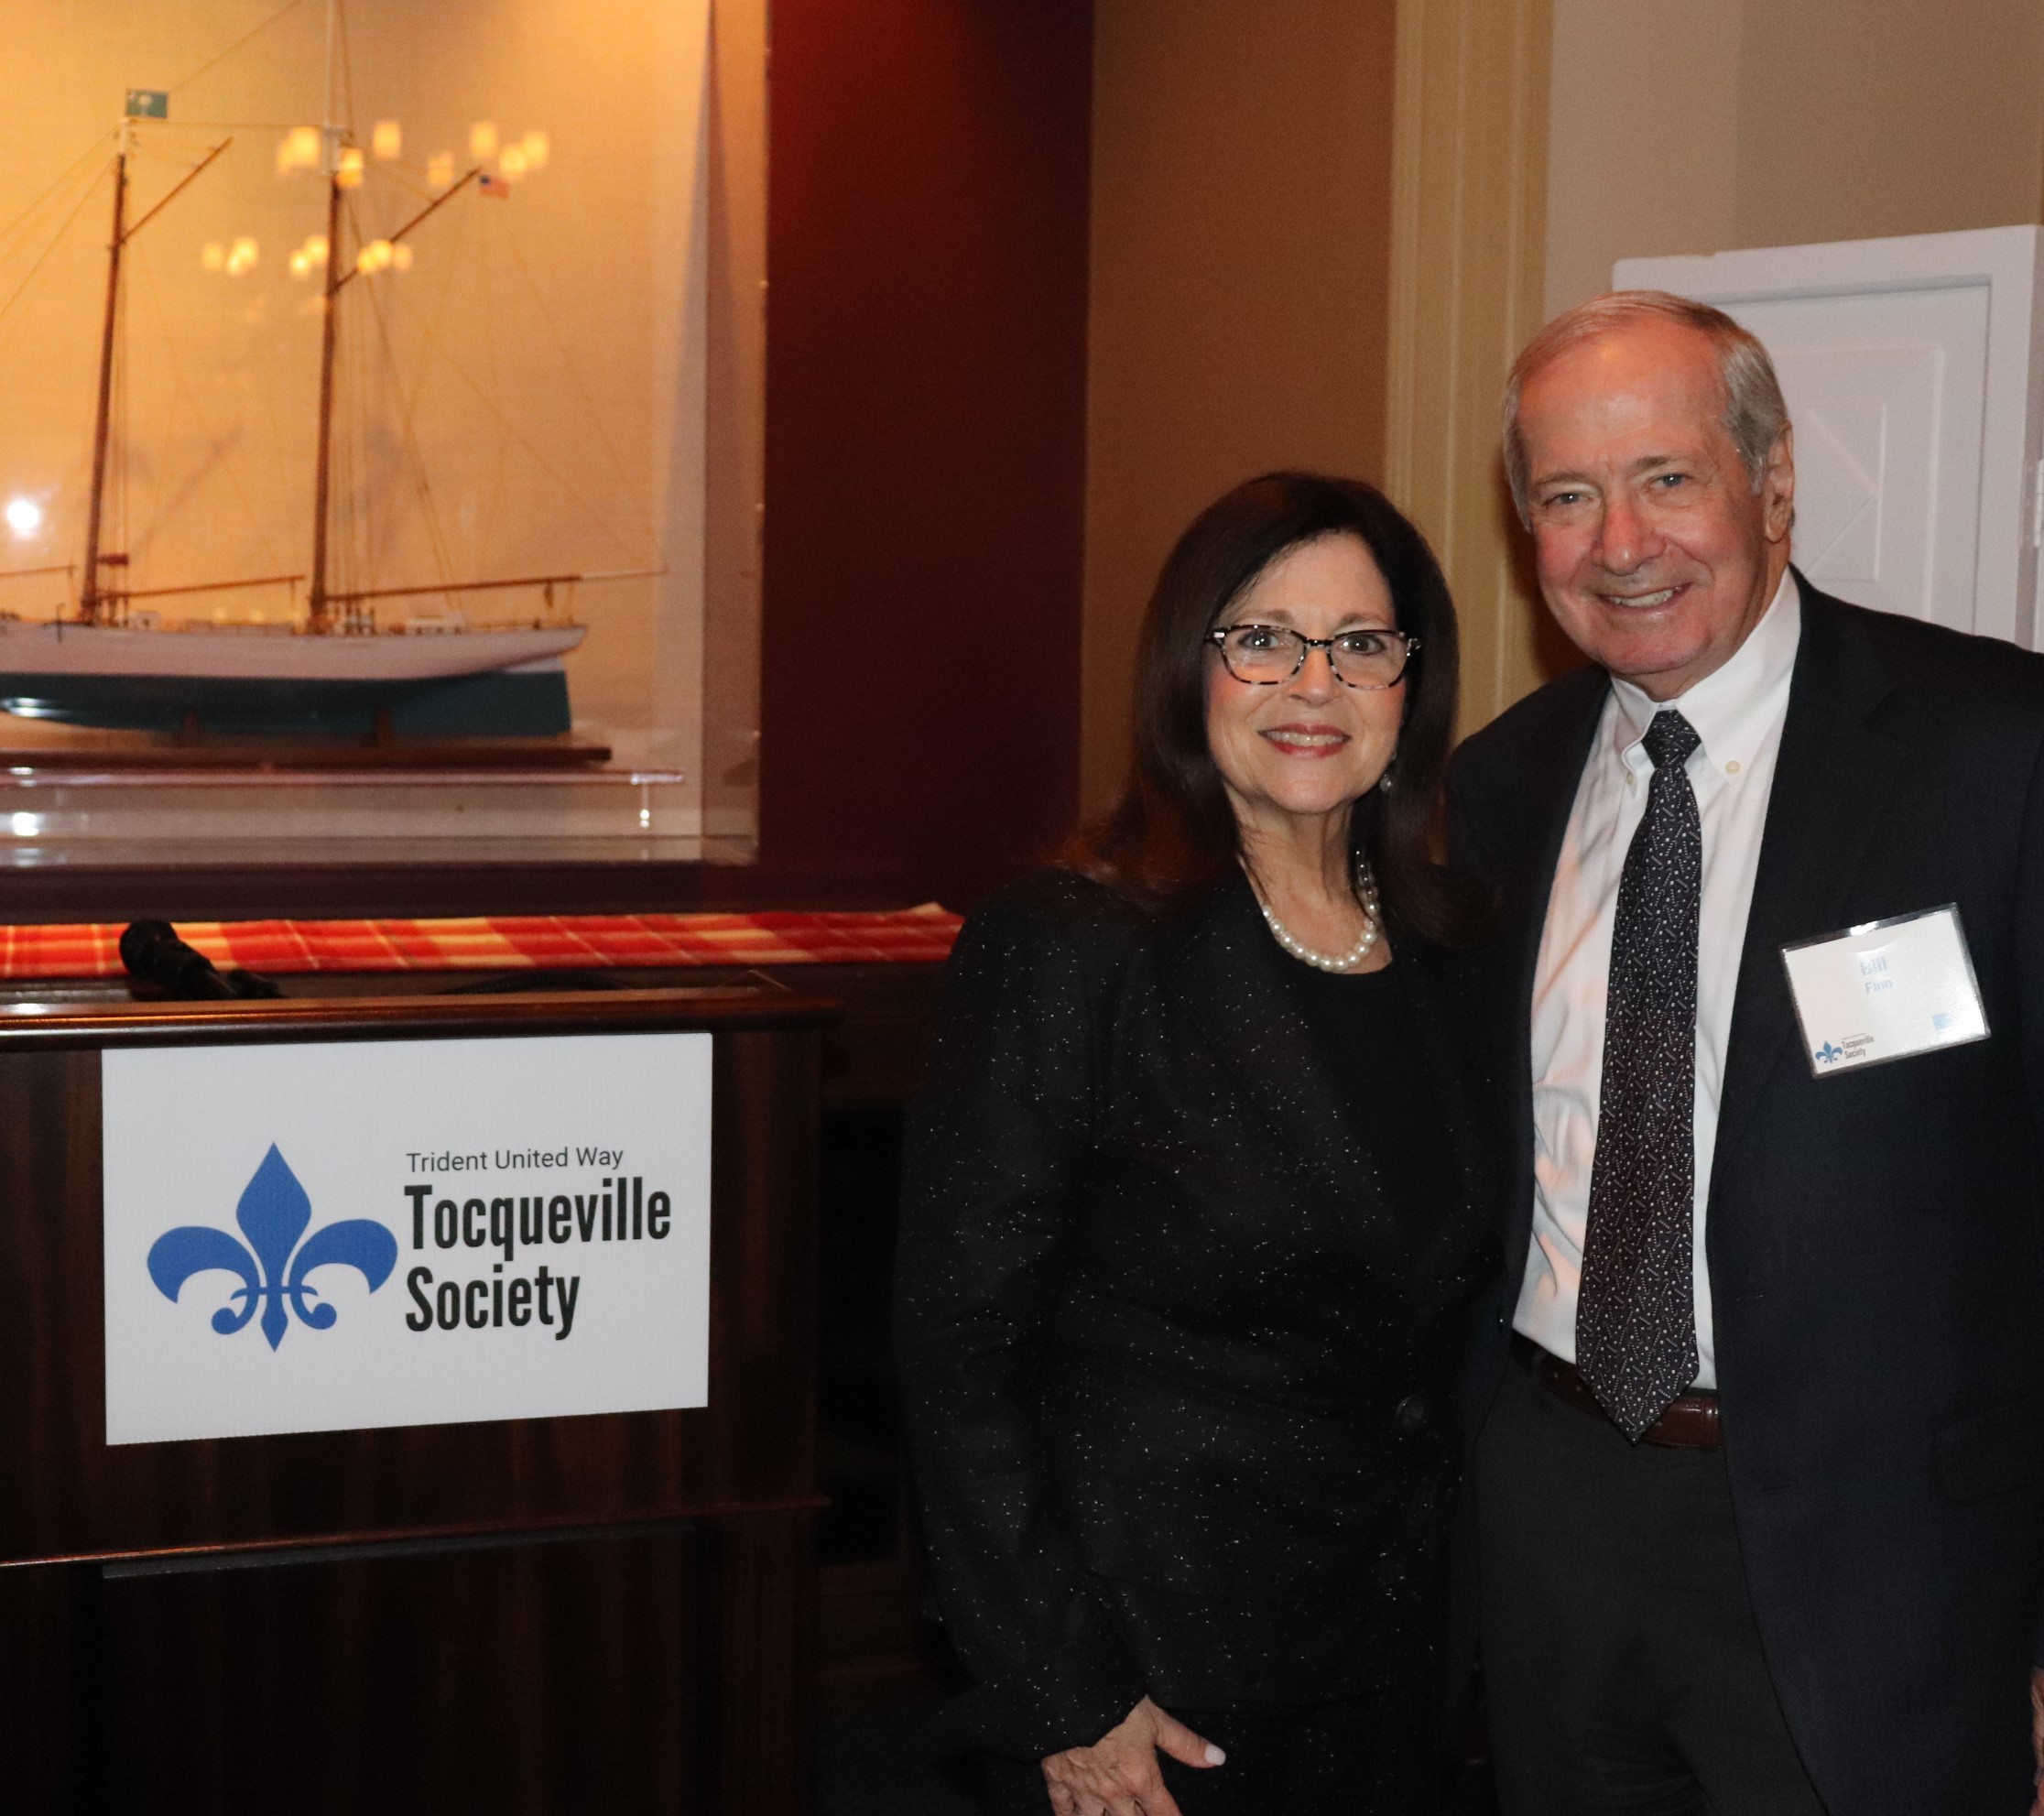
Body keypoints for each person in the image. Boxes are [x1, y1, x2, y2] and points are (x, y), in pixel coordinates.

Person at [1448, 289, 2044, 1815]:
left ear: (1773, 486)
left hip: (1889, 1556)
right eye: (1568, 498)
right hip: (1556, 1517)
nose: (1620, 543)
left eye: (1667, 478)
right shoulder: (1492, 793)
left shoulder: (1997, 751)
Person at [895, 472, 1496, 1816]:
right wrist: (1064, 1692)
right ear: (1192, 671)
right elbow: (958, 1354)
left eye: (1361, 645)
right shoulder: (1068, 947)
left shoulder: (1460, 949)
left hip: (1389, 1660)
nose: (1313, 684)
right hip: (1149, 1686)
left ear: (1412, 687)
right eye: (1264, 639)